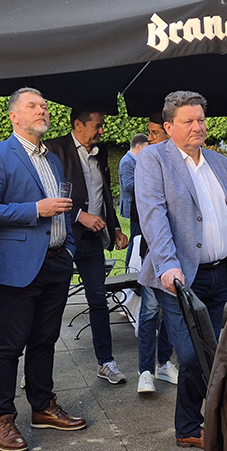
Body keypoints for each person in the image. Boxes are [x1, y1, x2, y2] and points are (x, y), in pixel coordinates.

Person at [0, 87, 86, 451]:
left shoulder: (52, 159)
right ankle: (3, 419)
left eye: (44, 106)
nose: (42, 110)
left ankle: (42, 406)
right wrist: (36, 209)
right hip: (18, 267)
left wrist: (68, 249)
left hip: (56, 263)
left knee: (44, 340)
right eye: (32, 106)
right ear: (14, 116)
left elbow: (63, 208)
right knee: (9, 345)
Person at [135, 91, 227, 448]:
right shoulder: (154, 159)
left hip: (219, 272)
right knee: (190, 354)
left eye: (201, 119)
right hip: (179, 278)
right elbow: (152, 216)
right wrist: (168, 264)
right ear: (169, 127)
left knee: (210, 352)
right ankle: (199, 421)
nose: (198, 126)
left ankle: (190, 426)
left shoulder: (219, 160)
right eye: (188, 121)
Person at [47, 109, 129, 385]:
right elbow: (46, 193)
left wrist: (113, 227)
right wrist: (80, 215)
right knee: (51, 304)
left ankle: (106, 362)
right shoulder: (54, 149)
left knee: (98, 300)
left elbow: (103, 192)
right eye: (97, 126)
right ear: (78, 125)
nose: (102, 131)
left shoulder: (100, 151)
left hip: (93, 240)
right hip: (61, 238)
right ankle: (36, 368)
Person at [133, 113, 179, 395]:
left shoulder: (184, 162)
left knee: (173, 315)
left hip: (183, 254)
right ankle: (145, 371)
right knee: (150, 312)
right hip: (154, 254)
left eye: (154, 133)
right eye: (149, 132)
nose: (149, 138)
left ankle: (163, 363)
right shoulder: (147, 162)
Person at [118, 133, 149, 262]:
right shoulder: (127, 161)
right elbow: (128, 185)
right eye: (146, 147)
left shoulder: (134, 160)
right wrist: (148, 182)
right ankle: (129, 267)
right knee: (135, 239)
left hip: (138, 206)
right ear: (138, 147)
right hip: (134, 208)